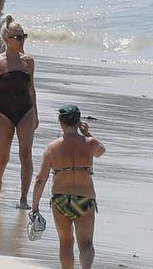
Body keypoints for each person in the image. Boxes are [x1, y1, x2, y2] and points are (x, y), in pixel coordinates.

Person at [30, 105, 106, 269]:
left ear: (60, 123)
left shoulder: (51, 148)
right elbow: (101, 151)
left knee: (65, 243)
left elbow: (40, 179)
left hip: (61, 199)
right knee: (86, 244)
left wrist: (34, 206)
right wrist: (87, 134)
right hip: (85, 198)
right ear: (79, 122)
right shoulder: (89, 143)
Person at [0, 14, 37, 208]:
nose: (21, 41)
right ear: (6, 39)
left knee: (25, 155)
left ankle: (23, 198)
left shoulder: (28, 62)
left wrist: (36, 113)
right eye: (18, 37)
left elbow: (31, 89)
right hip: (2, 111)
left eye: (23, 36)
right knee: (3, 157)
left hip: (25, 111)